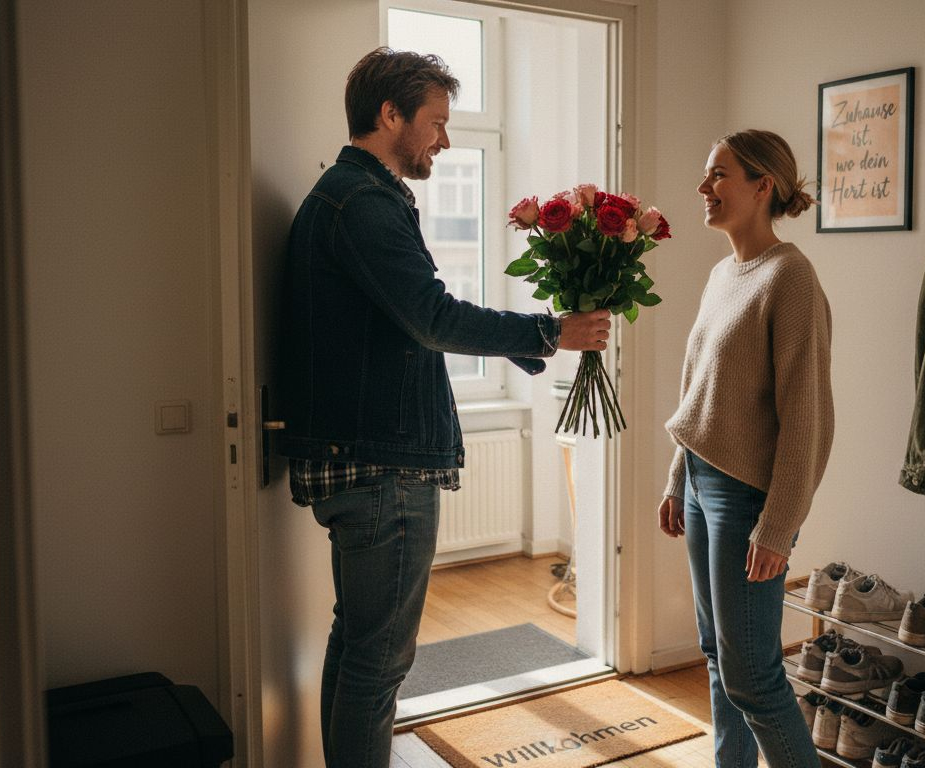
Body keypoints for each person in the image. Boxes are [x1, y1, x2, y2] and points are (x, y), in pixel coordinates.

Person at [274, 48, 611, 768]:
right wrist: (549, 332)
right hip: (382, 466)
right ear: (389, 115)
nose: (445, 140)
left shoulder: (355, 195)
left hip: (363, 457)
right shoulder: (362, 203)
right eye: (435, 122)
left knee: (359, 644)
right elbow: (431, 316)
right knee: (379, 661)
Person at [659, 129, 834, 768]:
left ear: (763, 187)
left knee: (754, 675)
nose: (704, 187)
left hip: (746, 497)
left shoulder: (791, 277)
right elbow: (703, 389)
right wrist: (678, 476)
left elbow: (807, 419)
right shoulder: (721, 275)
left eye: (718, 174)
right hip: (701, 480)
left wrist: (779, 527)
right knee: (718, 655)